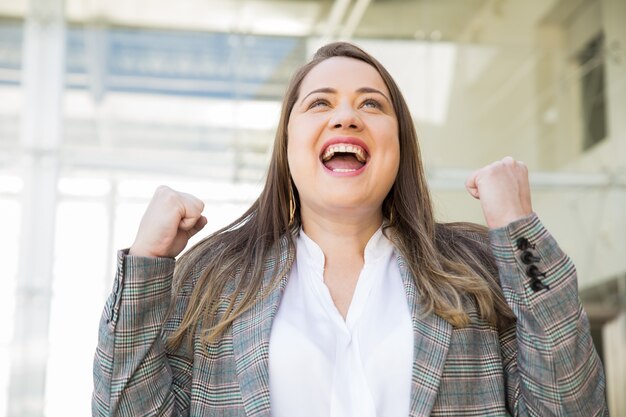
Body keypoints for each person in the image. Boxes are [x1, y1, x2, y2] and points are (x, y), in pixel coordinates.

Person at [92, 42, 608, 417]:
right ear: (289, 143)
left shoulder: (474, 268)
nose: (346, 117)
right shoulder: (215, 278)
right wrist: (146, 264)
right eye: (319, 103)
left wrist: (520, 230)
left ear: (398, 144)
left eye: (371, 104)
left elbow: (573, 407)